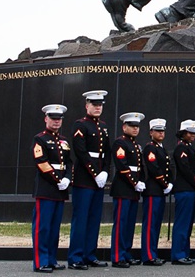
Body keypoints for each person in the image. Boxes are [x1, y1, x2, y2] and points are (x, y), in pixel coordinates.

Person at [69, 90, 111, 270]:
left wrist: (106, 172)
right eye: (94, 104)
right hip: (85, 179)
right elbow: (80, 151)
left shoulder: (103, 127)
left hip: (99, 180)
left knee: (94, 219)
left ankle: (89, 254)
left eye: (100, 105)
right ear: (87, 106)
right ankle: (75, 257)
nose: (98, 107)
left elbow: (107, 152)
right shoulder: (81, 125)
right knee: (81, 218)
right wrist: (95, 173)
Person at [32, 103, 71, 274]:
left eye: (59, 119)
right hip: (47, 188)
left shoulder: (63, 141)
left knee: (55, 227)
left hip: (60, 189)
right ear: (46, 119)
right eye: (53, 119)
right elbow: (42, 163)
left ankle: (52, 259)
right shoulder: (40, 139)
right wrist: (58, 179)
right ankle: (41, 262)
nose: (56, 122)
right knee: (43, 227)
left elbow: (69, 162)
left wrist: (68, 178)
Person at [110, 112, 146, 268]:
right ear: (124, 126)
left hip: (133, 190)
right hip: (123, 188)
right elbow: (122, 166)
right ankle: (117, 256)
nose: (135, 129)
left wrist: (141, 182)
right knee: (121, 223)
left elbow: (139, 167)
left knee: (130, 224)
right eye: (132, 126)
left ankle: (126, 253)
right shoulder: (120, 143)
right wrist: (135, 182)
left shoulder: (136, 145)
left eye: (137, 126)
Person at [141, 118, 174, 266]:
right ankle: (148, 255)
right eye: (157, 131)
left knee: (156, 224)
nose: (161, 133)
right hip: (153, 190)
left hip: (160, 191)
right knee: (150, 225)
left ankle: (153, 253)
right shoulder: (150, 148)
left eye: (162, 131)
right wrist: (165, 183)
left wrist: (169, 184)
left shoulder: (161, 148)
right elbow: (154, 167)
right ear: (151, 132)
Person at [171, 120, 195, 265]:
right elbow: (185, 169)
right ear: (183, 134)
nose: (193, 135)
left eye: (194, 132)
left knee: (187, 224)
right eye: (190, 133)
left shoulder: (188, 147)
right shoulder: (181, 148)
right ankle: (178, 254)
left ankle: (185, 252)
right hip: (184, 189)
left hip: (189, 189)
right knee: (182, 224)